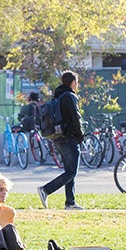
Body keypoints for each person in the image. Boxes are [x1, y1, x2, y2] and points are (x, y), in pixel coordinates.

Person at [38, 71, 84, 210]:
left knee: (69, 171)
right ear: (73, 82)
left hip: (58, 138)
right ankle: (46, 190)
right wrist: (80, 135)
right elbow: (75, 118)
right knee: (71, 172)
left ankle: (70, 202)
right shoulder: (70, 96)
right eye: (77, 82)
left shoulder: (58, 96)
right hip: (69, 137)